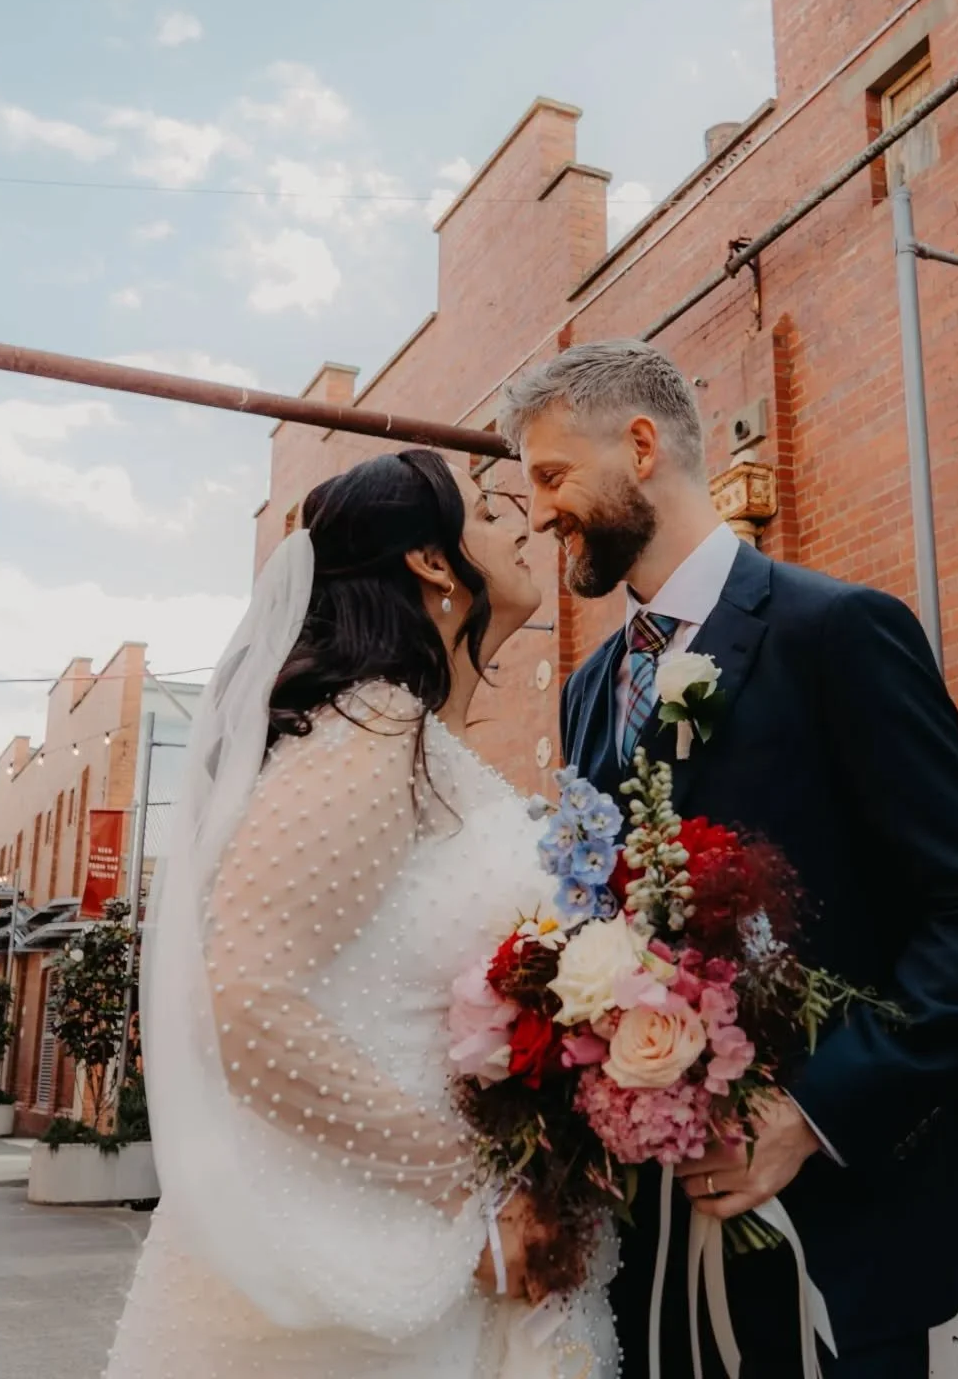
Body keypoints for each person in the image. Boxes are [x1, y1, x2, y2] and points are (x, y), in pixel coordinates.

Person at [499, 339, 958, 1379]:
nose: (537, 513)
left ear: (643, 447)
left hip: (832, 1239)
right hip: (648, 1249)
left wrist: (812, 1115)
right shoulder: (588, 688)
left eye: (552, 475)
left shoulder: (837, 632)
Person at [103, 450, 618, 1379]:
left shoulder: (421, 743)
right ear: (431, 560)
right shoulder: (369, 733)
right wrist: (470, 1188)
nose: (524, 524)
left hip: (432, 1236)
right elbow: (244, 1002)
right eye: (490, 507)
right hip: (362, 1255)